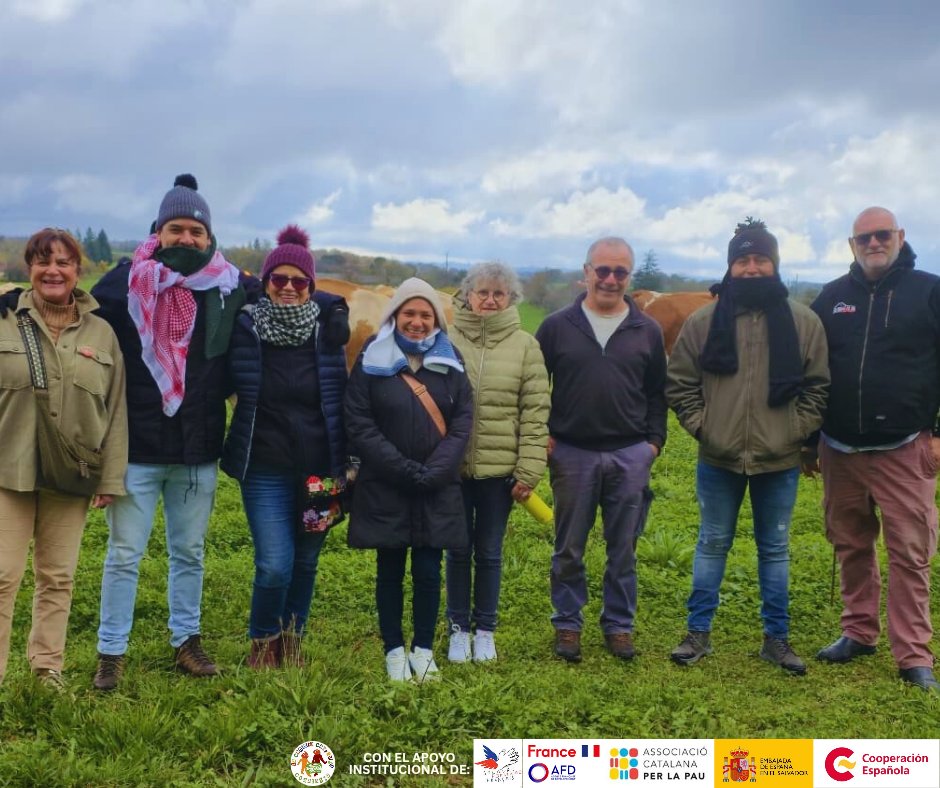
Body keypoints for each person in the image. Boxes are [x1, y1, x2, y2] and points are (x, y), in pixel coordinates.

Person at [90, 174, 246, 690]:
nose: (186, 239)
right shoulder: (123, 284)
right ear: (157, 232)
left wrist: (335, 309)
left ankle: (186, 640)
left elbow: (284, 301)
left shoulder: (228, 287)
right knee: (124, 555)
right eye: (175, 228)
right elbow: (73, 310)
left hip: (197, 448)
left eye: (195, 231)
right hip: (137, 446)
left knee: (190, 553)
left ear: (209, 237)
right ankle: (111, 650)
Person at [666, 219, 829, 675]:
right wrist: (705, 427)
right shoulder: (702, 322)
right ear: (731, 266)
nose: (752, 268)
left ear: (774, 265)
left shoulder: (803, 323)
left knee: (775, 549)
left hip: (779, 459)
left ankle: (776, 639)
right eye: (743, 260)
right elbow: (679, 385)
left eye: (761, 259)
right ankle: (698, 634)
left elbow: (818, 388)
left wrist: (793, 431)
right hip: (718, 458)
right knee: (711, 543)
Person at [804, 206, 940, 692]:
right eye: (864, 237)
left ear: (900, 236)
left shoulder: (929, 291)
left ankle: (913, 656)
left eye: (882, 235)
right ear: (851, 245)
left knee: (909, 552)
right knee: (851, 543)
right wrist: (808, 440)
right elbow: (811, 371)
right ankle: (859, 632)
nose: (873, 243)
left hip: (904, 447)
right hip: (839, 447)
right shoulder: (833, 298)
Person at [0, 228, 127, 691]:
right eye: (42, 261)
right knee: (2, 576)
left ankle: (46, 668)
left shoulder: (103, 333)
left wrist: (109, 479)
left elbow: (115, 412)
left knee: (57, 577)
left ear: (78, 269)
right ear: (28, 268)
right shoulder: (5, 318)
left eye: (63, 262)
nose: (53, 270)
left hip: (71, 474)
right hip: (6, 470)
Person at [221, 226, 349, 669]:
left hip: (321, 469)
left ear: (312, 286)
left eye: (300, 281)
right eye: (280, 280)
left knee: (308, 561)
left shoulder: (330, 332)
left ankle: (293, 639)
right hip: (264, 466)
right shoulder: (245, 327)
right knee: (275, 562)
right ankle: (263, 640)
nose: (290, 289)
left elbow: (346, 396)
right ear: (266, 282)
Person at [535, 237, 666, 663]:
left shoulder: (646, 330)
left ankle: (618, 625)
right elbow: (535, 387)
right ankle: (568, 624)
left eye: (620, 272)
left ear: (630, 277)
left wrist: (653, 443)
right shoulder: (557, 326)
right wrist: (544, 435)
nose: (611, 279)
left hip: (629, 453)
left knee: (622, 546)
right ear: (587, 271)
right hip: (572, 452)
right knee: (569, 545)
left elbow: (656, 393)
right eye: (603, 270)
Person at [345, 278, 473, 682]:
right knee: (390, 568)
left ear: (436, 318)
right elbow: (359, 421)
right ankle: (393, 648)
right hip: (388, 482)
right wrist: (401, 467)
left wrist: (435, 470)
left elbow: (463, 421)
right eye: (409, 314)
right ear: (395, 316)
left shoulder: (450, 360)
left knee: (429, 570)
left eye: (425, 314)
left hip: (436, 485)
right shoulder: (372, 357)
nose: (417, 322)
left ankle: (423, 648)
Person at [445, 262, 549, 663]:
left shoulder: (526, 346)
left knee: (489, 552)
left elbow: (535, 412)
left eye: (498, 294)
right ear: (467, 295)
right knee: (456, 550)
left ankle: (484, 629)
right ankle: (457, 627)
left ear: (511, 300)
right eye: (482, 292)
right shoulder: (446, 339)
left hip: (499, 473)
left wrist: (528, 469)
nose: (489, 300)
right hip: (451, 470)